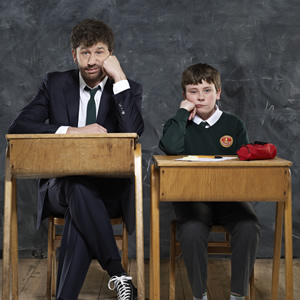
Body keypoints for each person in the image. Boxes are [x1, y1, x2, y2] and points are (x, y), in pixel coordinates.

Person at [8, 18, 144, 300]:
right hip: (61, 187)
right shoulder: (55, 83)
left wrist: (119, 79)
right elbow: (18, 127)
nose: (92, 60)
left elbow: (133, 132)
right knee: (78, 187)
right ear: (74, 54)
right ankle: (118, 273)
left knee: (80, 206)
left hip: (109, 191)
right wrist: (73, 131)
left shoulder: (127, 88)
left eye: (99, 52)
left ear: (111, 55)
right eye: (85, 52)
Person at [159, 63, 260, 300]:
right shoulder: (177, 123)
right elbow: (171, 148)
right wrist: (183, 113)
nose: (201, 97)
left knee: (249, 226)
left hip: (229, 196)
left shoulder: (233, 124)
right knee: (192, 230)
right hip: (191, 197)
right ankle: (199, 295)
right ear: (184, 95)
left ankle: (237, 295)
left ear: (219, 92)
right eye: (193, 91)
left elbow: (243, 164)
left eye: (207, 90)